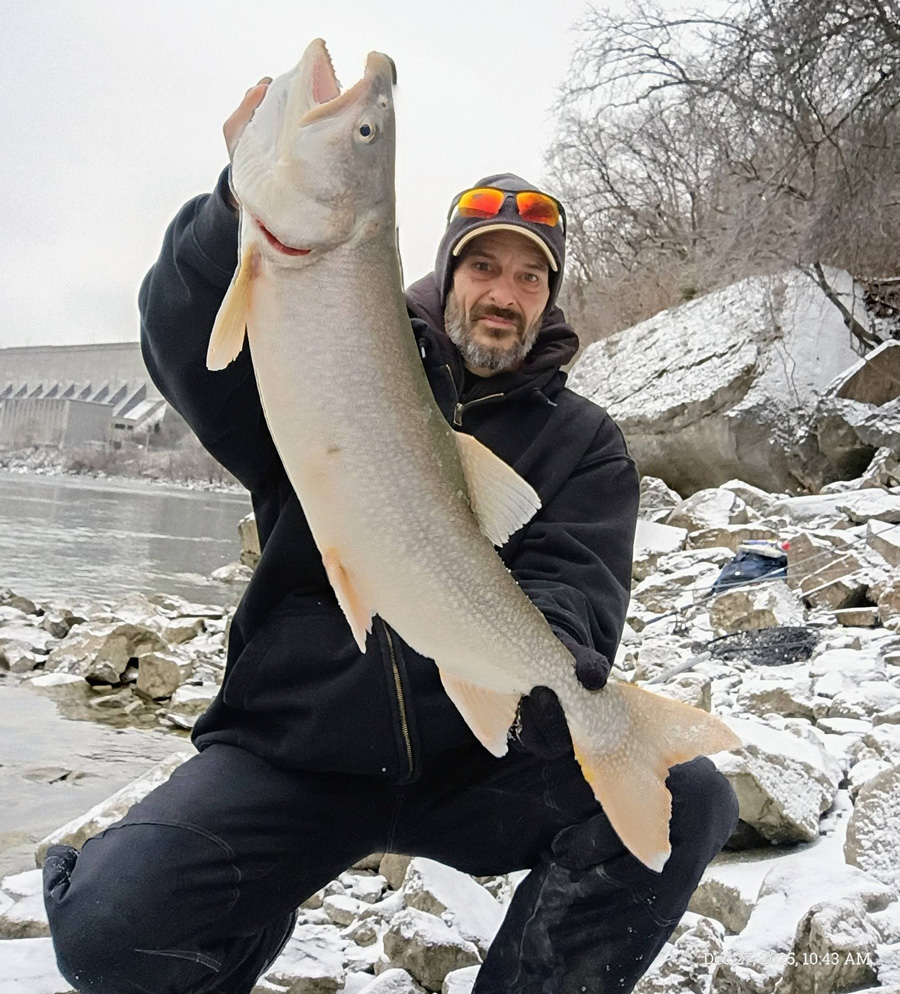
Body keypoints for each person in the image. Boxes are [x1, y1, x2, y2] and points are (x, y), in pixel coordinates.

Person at [43, 80, 739, 994]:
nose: (505, 293)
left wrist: (550, 678)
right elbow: (184, 347)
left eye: (530, 275)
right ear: (447, 271)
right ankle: (257, 908)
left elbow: (578, 585)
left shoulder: (584, 444)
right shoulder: (325, 342)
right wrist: (229, 212)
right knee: (109, 928)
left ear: (548, 297)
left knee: (692, 798)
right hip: (296, 754)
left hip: (471, 765)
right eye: (484, 266)